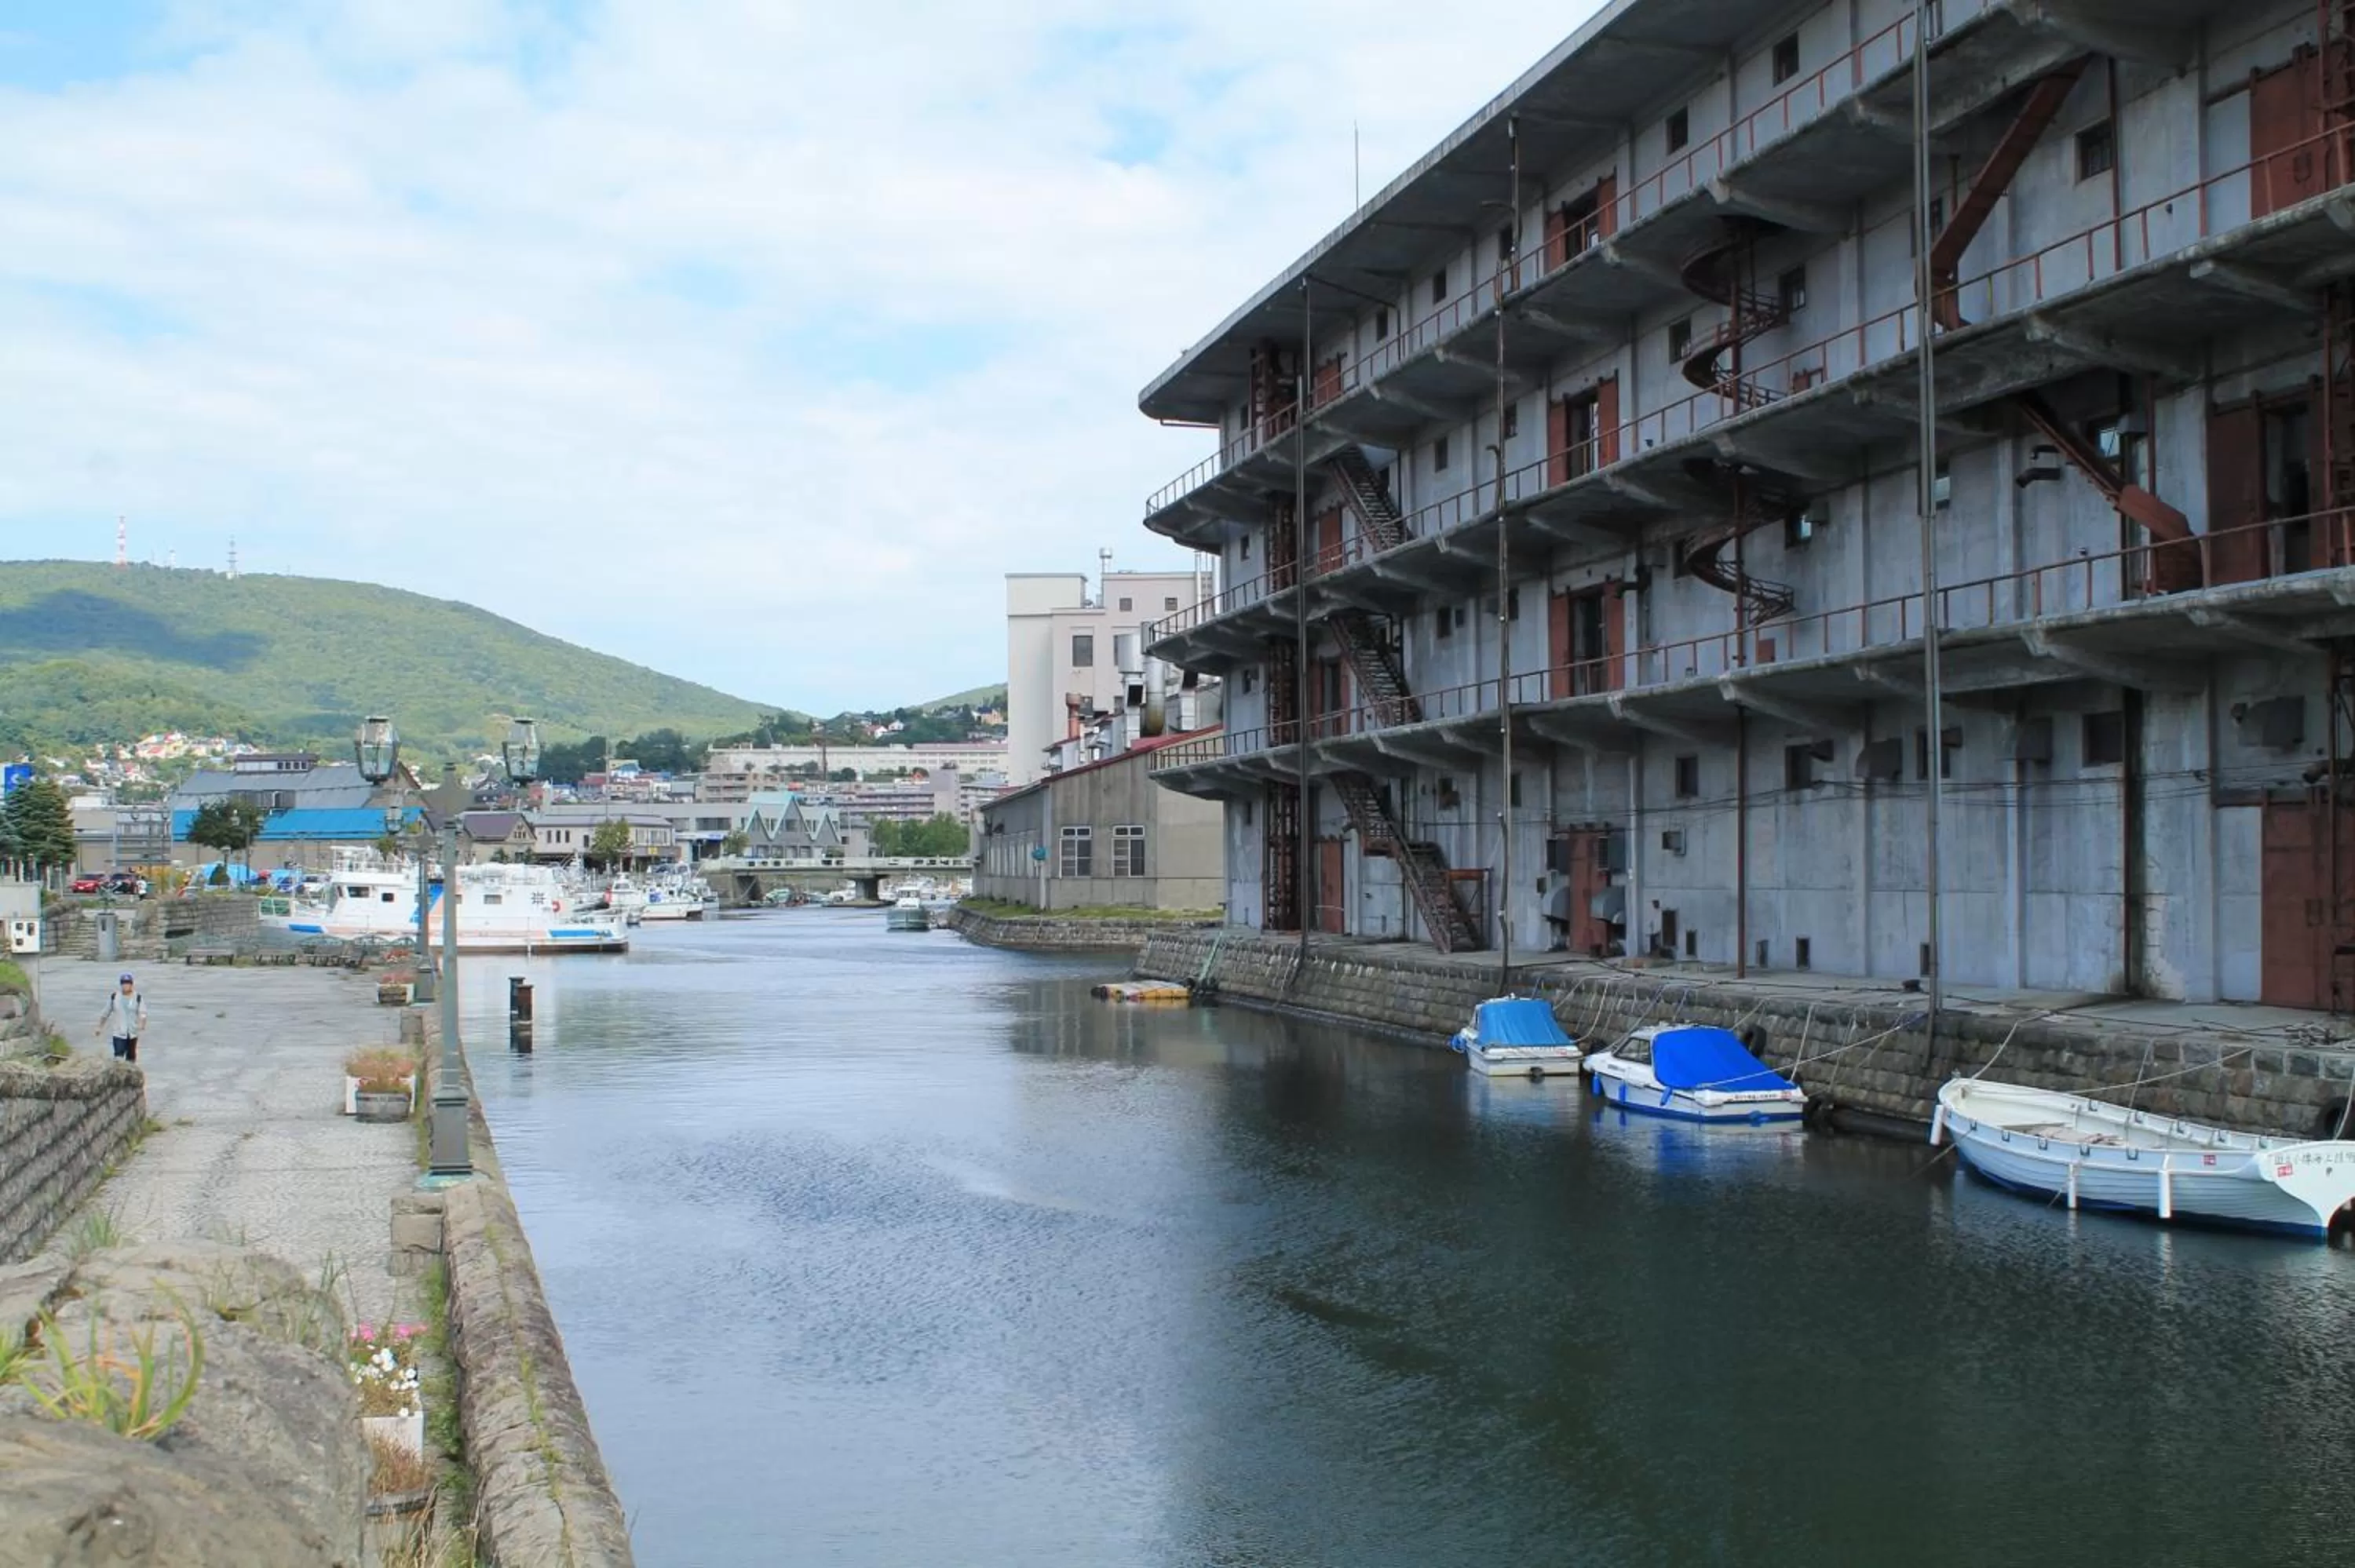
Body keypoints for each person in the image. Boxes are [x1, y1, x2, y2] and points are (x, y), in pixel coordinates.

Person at [94, 972, 148, 1063]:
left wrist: (142, 1024)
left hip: (132, 1033)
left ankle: (130, 1076)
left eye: (128, 983)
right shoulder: (115, 997)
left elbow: (143, 1013)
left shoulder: (138, 997)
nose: (125, 986)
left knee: (131, 1057)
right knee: (118, 1057)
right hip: (119, 1033)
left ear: (132, 985)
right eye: (123, 983)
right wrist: (99, 1027)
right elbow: (105, 1013)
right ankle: (118, 1075)